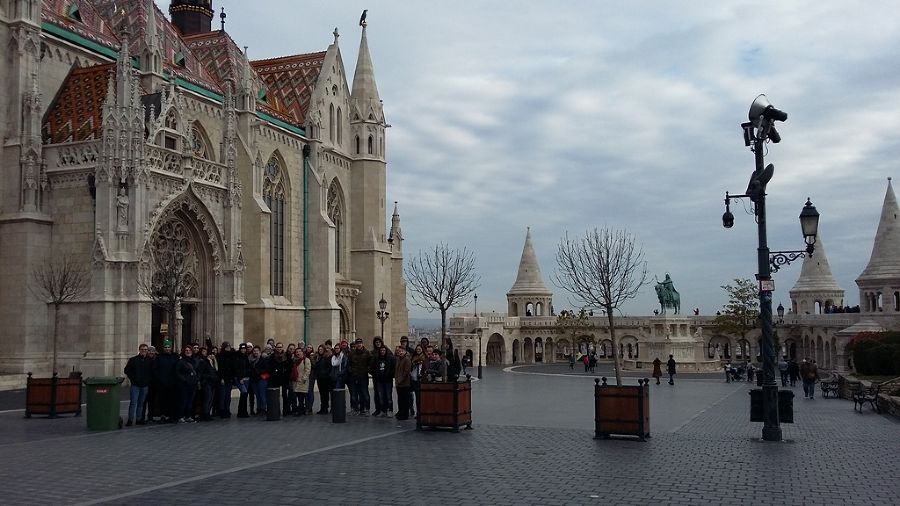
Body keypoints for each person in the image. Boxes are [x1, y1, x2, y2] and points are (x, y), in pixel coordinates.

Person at [124, 343, 152, 426]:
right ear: (139, 350)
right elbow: (127, 370)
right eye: (142, 349)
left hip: (145, 385)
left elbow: (151, 372)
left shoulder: (149, 361)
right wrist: (133, 379)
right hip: (135, 385)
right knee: (133, 402)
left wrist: (147, 380)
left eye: (145, 350)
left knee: (141, 403)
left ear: (147, 351)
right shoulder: (133, 360)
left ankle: (139, 419)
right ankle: (130, 419)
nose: (144, 351)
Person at [153, 339, 179, 423]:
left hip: (172, 383)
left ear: (171, 348)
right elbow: (155, 369)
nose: (167, 348)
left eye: (169, 347)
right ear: (163, 348)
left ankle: (171, 415)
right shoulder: (159, 357)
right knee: (162, 400)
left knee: (171, 400)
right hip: (162, 383)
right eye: (165, 347)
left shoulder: (175, 356)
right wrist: (159, 379)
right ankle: (163, 416)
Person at [175, 345, 198, 423]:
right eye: (186, 350)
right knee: (183, 401)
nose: (188, 352)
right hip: (184, 385)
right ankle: (180, 416)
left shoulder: (194, 361)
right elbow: (177, 372)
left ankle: (188, 416)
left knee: (190, 401)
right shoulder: (181, 361)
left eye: (189, 350)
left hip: (192, 384)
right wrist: (184, 379)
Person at [348, 338, 371, 416]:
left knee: (364, 394)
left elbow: (370, 363)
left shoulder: (367, 353)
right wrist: (351, 371)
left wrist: (367, 370)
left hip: (363, 376)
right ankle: (355, 409)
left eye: (360, 343)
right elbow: (348, 364)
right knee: (354, 394)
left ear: (362, 344)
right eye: (357, 343)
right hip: (354, 377)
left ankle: (366, 409)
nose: (358, 345)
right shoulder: (352, 353)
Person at [267, 342, 291, 416]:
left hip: (284, 378)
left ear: (282, 348)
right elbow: (270, 367)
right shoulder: (272, 356)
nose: (279, 349)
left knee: (284, 395)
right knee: (275, 395)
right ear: (276, 348)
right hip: (275, 378)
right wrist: (274, 372)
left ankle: (286, 410)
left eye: (280, 347)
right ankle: (276, 410)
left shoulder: (287, 355)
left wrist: (286, 372)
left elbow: (290, 366)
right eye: (278, 347)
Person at [195, 347, 218, 421]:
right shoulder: (204, 362)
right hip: (206, 383)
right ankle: (205, 414)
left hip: (212, 383)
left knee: (210, 399)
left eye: (213, 355)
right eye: (210, 355)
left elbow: (215, 372)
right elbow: (201, 373)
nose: (212, 356)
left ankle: (207, 412)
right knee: (207, 399)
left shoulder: (214, 363)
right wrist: (210, 377)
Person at [372, 346, 395, 416]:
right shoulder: (377, 359)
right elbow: (373, 367)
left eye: (384, 350)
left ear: (386, 351)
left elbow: (393, 368)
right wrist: (376, 374)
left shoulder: (390, 358)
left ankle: (390, 410)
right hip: (379, 380)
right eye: (381, 350)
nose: (382, 352)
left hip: (388, 380)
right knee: (381, 396)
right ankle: (383, 410)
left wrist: (390, 375)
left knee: (388, 396)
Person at [248, 345, 268, 416]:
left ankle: (263, 409)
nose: (255, 352)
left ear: (260, 352)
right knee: (257, 395)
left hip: (261, 379)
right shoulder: (250, 359)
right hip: (254, 380)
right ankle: (259, 409)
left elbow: (266, 369)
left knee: (262, 395)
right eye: (254, 351)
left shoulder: (263, 359)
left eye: (257, 351)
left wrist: (259, 372)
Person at [394, 346, 412, 420]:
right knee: (400, 399)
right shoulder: (398, 359)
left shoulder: (407, 360)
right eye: (399, 351)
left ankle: (405, 414)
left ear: (405, 351)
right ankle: (401, 412)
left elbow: (406, 372)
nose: (400, 352)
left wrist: (400, 380)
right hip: (399, 383)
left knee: (405, 400)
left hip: (405, 383)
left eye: (402, 351)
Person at [314, 344, 333, 414]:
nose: (320, 351)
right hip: (320, 378)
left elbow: (329, 367)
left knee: (325, 394)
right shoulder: (318, 357)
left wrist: (326, 374)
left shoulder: (327, 357)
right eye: (319, 350)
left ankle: (325, 408)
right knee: (322, 394)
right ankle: (323, 407)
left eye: (321, 349)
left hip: (326, 378)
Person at [290, 349, 310, 416]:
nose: (298, 353)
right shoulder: (295, 361)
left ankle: (300, 411)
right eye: (297, 352)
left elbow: (307, 370)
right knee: (298, 396)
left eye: (299, 351)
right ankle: (301, 409)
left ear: (302, 352)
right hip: (296, 381)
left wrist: (304, 378)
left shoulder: (306, 360)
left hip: (302, 381)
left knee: (301, 397)